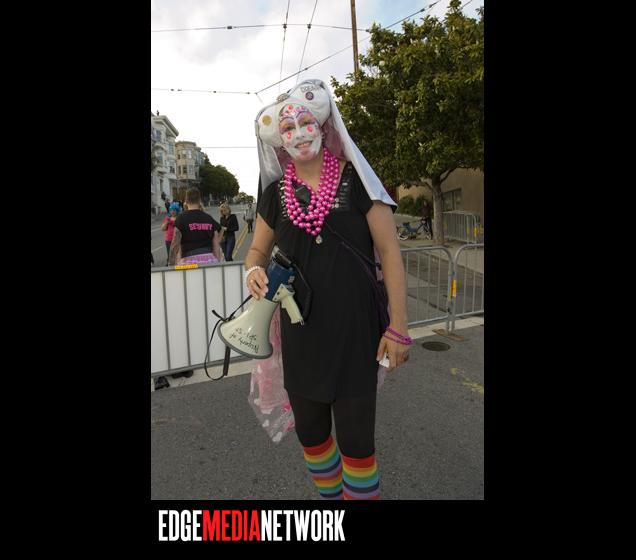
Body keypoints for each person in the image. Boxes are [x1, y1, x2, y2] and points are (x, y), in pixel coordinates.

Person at [245, 78, 409, 500]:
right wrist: (253, 271)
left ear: (321, 125)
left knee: (357, 443)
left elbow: (390, 252)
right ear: (280, 140)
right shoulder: (274, 194)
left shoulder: (357, 180)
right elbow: (256, 252)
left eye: (305, 122)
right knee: (313, 436)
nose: (299, 133)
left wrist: (399, 327)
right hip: (301, 334)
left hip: (357, 332)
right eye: (288, 128)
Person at [168, 187, 223, 266]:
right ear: (199, 201)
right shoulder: (208, 218)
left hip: (189, 262)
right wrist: (216, 262)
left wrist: (171, 265)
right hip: (209, 260)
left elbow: (175, 245)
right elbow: (216, 245)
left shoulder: (181, 219)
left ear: (186, 201)